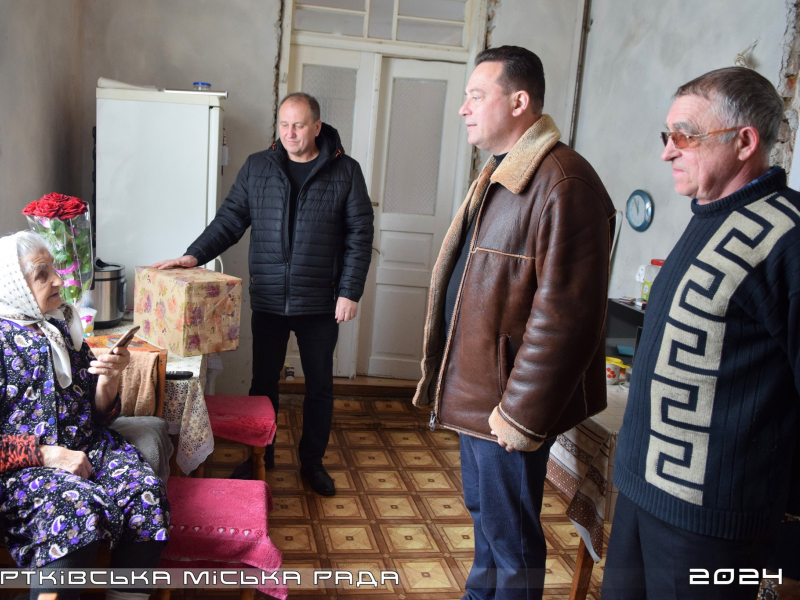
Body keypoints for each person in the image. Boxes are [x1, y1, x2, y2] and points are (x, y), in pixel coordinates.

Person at [412, 46, 615, 600]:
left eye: (477, 96)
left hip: (506, 403)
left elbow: (567, 319)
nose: (464, 108)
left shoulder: (564, 182)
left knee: (512, 539)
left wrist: (520, 413)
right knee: (487, 518)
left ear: (519, 101)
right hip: (480, 391)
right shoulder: (505, 170)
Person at [602, 67, 800, 600]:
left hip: (712, 522)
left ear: (744, 142)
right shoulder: (708, 214)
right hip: (642, 492)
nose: (667, 151)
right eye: (667, 135)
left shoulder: (788, 236)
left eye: (685, 136)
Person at [153, 92, 373, 496]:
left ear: (316, 127)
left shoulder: (346, 171)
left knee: (319, 386)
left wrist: (350, 291)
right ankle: (261, 456)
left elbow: (360, 235)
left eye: (299, 125)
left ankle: (312, 462)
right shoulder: (259, 167)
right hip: (270, 298)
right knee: (263, 382)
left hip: (321, 302)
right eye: (284, 124)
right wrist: (193, 255)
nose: (290, 133)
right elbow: (230, 220)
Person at [0, 231, 169, 600]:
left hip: (85, 449)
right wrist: (49, 454)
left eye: (54, 270)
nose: (58, 281)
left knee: (145, 493)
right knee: (73, 508)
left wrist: (109, 378)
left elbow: (97, 415)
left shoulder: (58, 326)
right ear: (12, 284)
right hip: (17, 472)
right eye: (42, 274)